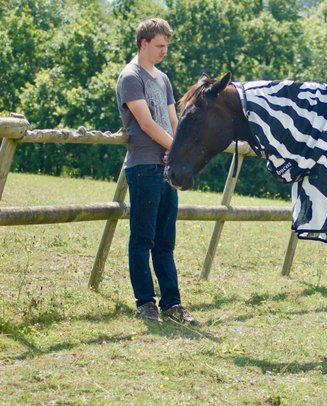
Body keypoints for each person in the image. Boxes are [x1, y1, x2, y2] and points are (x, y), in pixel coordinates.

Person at [116, 18, 197, 325]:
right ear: (144, 43)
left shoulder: (162, 78)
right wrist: (174, 151)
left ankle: (173, 303)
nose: (164, 51)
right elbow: (147, 123)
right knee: (143, 238)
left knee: (165, 241)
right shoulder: (130, 77)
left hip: (165, 169)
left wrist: (179, 152)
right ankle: (145, 302)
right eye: (160, 46)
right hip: (144, 166)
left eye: (167, 46)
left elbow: (173, 121)